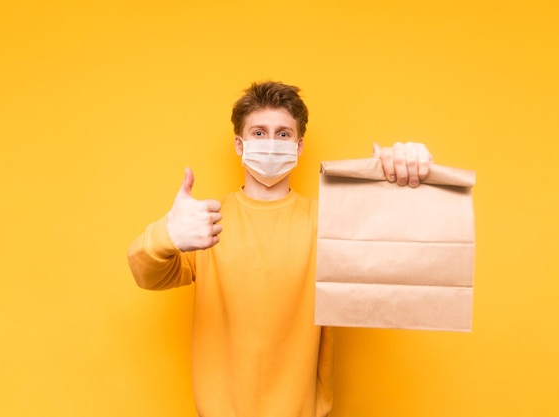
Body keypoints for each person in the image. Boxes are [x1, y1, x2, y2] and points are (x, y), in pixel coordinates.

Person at [127, 81, 432, 417]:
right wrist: (167, 234)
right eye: (259, 133)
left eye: (283, 134)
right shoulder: (204, 223)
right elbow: (147, 274)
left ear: (299, 147)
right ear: (239, 145)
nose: (271, 143)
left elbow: (402, 261)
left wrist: (407, 178)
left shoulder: (327, 222)